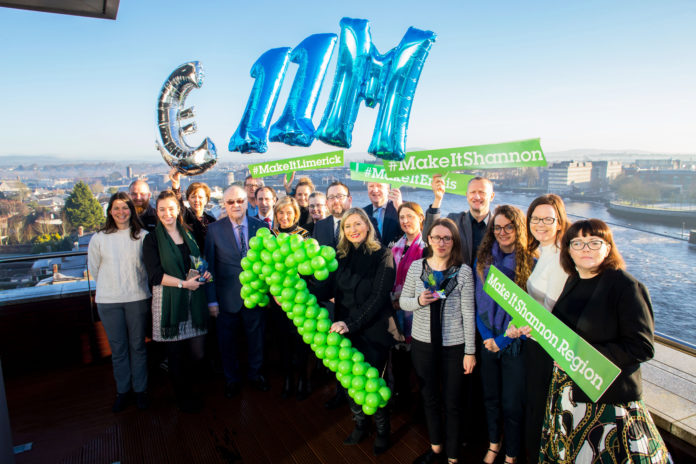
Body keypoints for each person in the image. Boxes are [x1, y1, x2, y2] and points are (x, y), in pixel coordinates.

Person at [538, 219, 672, 464]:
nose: (585, 249)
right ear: (568, 250)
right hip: (569, 391)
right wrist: (536, 329)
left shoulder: (627, 287)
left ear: (608, 247)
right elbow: (563, 330)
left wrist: (581, 355)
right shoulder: (574, 279)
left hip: (606, 402)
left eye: (594, 242)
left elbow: (642, 347)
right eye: (577, 243)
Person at [311, 207, 395, 455]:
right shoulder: (340, 255)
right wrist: (299, 288)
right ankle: (360, 424)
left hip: (373, 329)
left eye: (358, 224)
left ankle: (382, 430)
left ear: (367, 226)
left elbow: (379, 297)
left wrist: (351, 323)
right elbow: (325, 291)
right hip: (344, 328)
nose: (353, 230)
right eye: (348, 226)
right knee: (349, 381)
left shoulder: (383, 254)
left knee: (371, 383)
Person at [400, 218, 477, 464]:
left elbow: (469, 313)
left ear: (454, 242)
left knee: (453, 402)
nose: (441, 242)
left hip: (454, 347)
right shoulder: (416, 268)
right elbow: (404, 303)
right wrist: (419, 302)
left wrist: (470, 351)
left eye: (447, 238)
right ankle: (435, 449)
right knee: (429, 398)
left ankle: (453, 456)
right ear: (429, 239)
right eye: (436, 237)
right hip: (423, 345)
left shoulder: (463, 272)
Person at [474, 205, 536, 464]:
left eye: (509, 226)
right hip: (488, 341)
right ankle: (493, 444)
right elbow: (478, 304)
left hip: (515, 345)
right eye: (497, 227)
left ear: (519, 228)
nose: (503, 232)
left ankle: (511, 454)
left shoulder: (532, 263)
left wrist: (502, 340)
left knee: (512, 404)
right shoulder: (484, 260)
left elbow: (531, 313)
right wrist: (487, 336)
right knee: (490, 398)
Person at [142, 190, 211, 412]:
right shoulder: (152, 239)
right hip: (169, 300)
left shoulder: (188, 233)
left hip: (193, 298)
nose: (166, 213)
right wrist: (183, 284)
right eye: (161, 209)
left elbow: (197, 262)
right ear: (157, 212)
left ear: (178, 209)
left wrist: (204, 273)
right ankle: (183, 398)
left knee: (197, 353)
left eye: (171, 208)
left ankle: (191, 388)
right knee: (176, 355)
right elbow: (155, 275)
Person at [516, 194, 569, 463]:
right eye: (535, 219)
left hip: (547, 351)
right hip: (535, 344)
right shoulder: (544, 252)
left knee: (539, 416)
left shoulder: (561, 258)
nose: (540, 224)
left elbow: (553, 316)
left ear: (560, 222)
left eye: (548, 219)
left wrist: (523, 323)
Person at [87, 192, 150, 412]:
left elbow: (146, 269)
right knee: (119, 348)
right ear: (110, 211)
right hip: (109, 301)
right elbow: (94, 269)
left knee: (138, 347)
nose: (121, 212)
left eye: (125, 207)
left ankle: (141, 391)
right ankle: (123, 391)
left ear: (131, 211)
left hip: (137, 298)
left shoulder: (143, 236)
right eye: (116, 208)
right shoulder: (99, 238)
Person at [205, 185, 269, 397]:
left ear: (247, 202)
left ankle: (256, 375)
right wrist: (212, 301)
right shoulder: (214, 230)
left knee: (256, 340)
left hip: (256, 296)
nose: (236, 205)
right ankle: (232, 379)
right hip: (226, 298)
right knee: (227, 343)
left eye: (240, 201)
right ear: (224, 204)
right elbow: (210, 268)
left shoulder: (261, 228)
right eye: (231, 202)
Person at [270, 196, 312, 399]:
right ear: (276, 215)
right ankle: (288, 379)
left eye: (289, 213)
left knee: (300, 340)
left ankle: (303, 379)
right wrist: (275, 293)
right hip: (278, 298)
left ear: (295, 214)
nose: (284, 217)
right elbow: (266, 269)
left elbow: (309, 269)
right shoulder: (270, 235)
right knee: (283, 340)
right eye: (280, 213)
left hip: (299, 297)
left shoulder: (305, 235)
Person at [388, 202, 427, 407]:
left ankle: (419, 400)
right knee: (398, 357)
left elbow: (428, 282)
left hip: (416, 311)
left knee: (418, 361)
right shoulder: (395, 246)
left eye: (410, 216)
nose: (405, 221)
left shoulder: (426, 249)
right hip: (395, 311)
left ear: (421, 218)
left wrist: (403, 299)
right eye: (402, 217)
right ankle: (400, 395)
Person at [424, 176, 495, 267]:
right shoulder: (454, 220)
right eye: (473, 192)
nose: (477, 197)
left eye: (482, 192)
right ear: (467, 195)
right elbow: (427, 237)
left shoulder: (498, 226)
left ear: (492, 196)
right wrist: (437, 200)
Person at [169, 169, 216, 251]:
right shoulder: (185, 216)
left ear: (206, 200)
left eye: (200, 197)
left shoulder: (211, 221)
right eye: (193, 197)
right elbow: (178, 203)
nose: (197, 200)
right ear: (188, 199)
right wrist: (175, 185)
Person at [312, 181, 352, 249]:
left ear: (349, 200)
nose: (336, 201)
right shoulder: (319, 227)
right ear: (327, 203)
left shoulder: (364, 222)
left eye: (340, 196)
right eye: (331, 197)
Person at [363, 182, 402, 247]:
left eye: (379, 186)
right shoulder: (363, 213)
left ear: (388, 190)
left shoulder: (401, 208)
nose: (375, 190)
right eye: (371, 186)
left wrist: (399, 209)